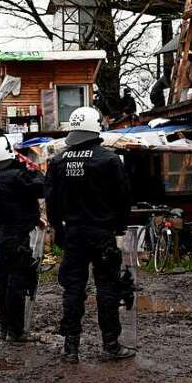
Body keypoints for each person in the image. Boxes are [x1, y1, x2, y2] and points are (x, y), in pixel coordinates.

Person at [46, 106, 134, 363]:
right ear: (96, 127)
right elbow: (123, 199)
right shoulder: (109, 160)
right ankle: (110, 345)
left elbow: (51, 201)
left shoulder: (57, 161)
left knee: (72, 289)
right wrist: (119, 228)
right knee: (107, 287)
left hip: (73, 234)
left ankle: (70, 347)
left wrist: (58, 229)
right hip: (101, 234)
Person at [0, 135, 45, 343]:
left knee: (2, 282)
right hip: (18, 237)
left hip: (4, 234)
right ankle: (16, 331)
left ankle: (4, 327)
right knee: (16, 284)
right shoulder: (15, 176)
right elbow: (41, 186)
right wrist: (32, 169)